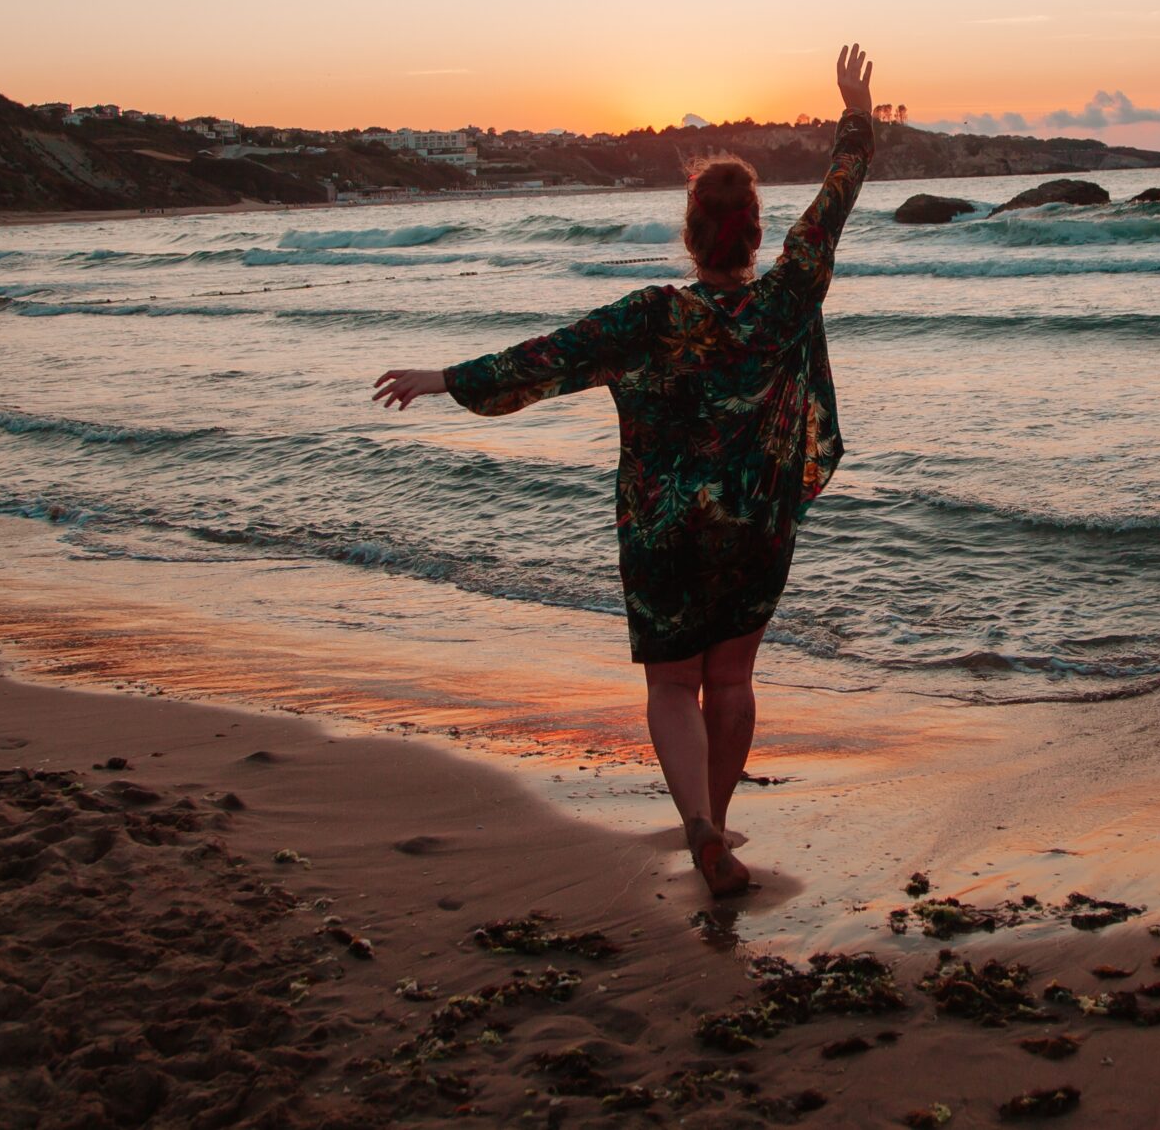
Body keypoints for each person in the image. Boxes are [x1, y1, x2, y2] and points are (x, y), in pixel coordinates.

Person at [372, 44, 877, 897]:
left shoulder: (651, 317)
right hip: (755, 526)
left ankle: (702, 829)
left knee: (675, 685)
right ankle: (718, 824)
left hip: (662, 530)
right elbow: (837, 197)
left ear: (690, 233)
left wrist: (446, 378)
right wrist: (854, 113)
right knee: (734, 680)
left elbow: (548, 355)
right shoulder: (788, 294)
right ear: (755, 233)